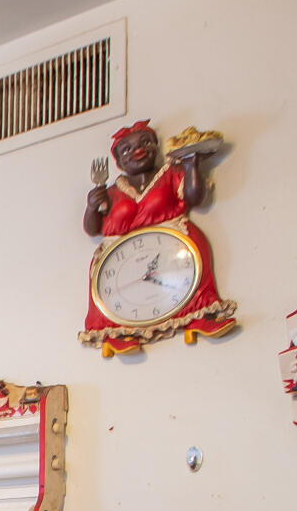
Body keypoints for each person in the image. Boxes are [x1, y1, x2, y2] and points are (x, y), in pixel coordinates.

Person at [80, 120, 237, 355]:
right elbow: (92, 229)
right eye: (127, 150)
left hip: (174, 240)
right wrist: (92, 206)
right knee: (102, 289)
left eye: (145, 142)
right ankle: (115, 333)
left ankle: (200, 317)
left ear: (155, 146)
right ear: (119, 162)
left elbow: (195, 197)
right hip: (119, 256)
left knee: (195, 273)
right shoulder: (111, 192)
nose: (137, 150)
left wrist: (191, 161)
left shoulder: (171, 174)